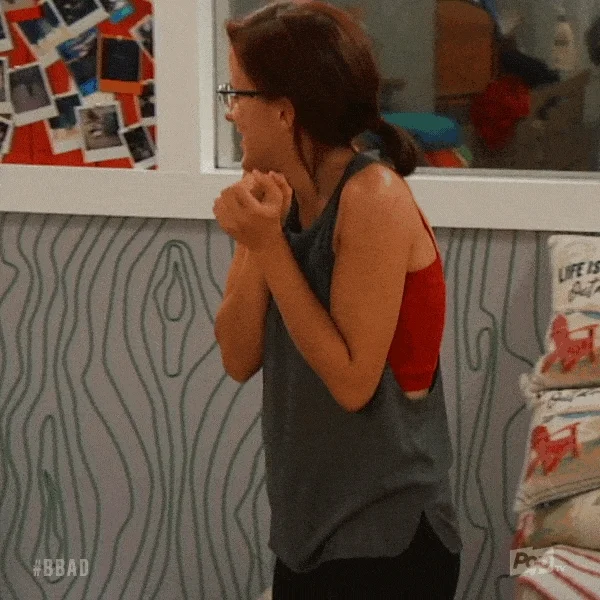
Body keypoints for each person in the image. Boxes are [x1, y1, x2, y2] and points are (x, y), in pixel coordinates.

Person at [212, 1, 462, 598]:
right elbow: (237, 358)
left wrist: (269, 247)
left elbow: (352, 382)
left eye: (237, 93)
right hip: (307, 534)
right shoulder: (278, 199)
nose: (229, 111)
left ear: (284, 110)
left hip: (387, 538)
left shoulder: (374, 196)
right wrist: (256, 240)